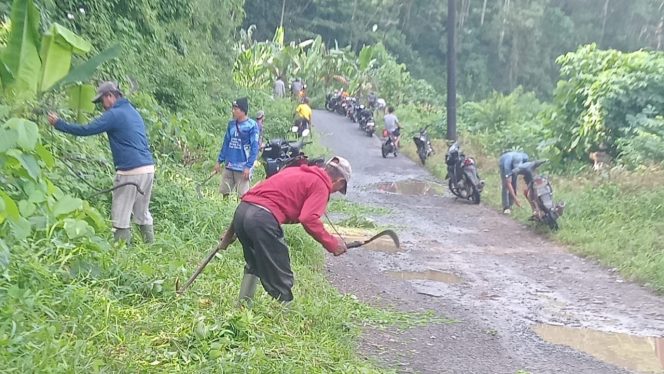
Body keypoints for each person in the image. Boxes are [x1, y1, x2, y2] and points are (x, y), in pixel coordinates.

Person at [231, 156, 352, 305]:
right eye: (339, 189)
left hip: (242, 212)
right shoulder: (321, 185)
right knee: (281, 274)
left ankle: (243, 306)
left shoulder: (295, 171)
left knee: (254, 263)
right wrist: (332, 244)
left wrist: (230, 232)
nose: (335, 192)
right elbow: (309, 219)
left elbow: (252, 196)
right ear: (339, 182)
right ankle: (287, 318)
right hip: (262, 219)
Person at [47, 81, 155, 244]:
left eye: (102, 101)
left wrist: (59, 124)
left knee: (120, 216)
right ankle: (151, 248)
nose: (102, 106)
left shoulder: (114, 114)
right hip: (147, 169)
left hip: (130, 172)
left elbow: (87, 130)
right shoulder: (132, 111)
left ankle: (121, 257)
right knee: (142, 212)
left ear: (110, 96)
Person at [214, 97, 260, 198]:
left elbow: (254, 147)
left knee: (243, 195)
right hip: (229, 164)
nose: (233, 111)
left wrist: (248, 166)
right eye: (233, 108)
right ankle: (224, 209)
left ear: (243, 110)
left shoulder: (252, 126)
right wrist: (219, 161)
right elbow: (226, 143)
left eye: (236, 109)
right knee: (224, 191)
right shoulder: (231, 124)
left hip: (243, 166)